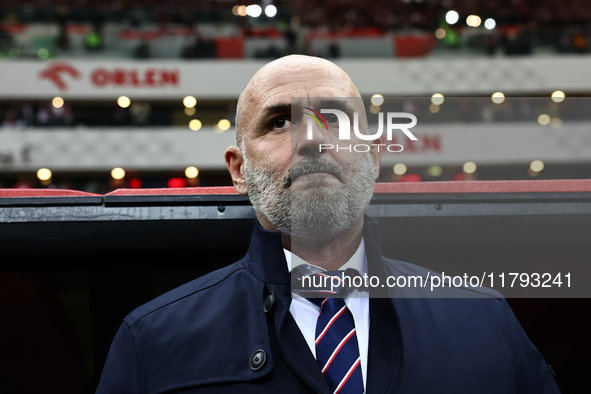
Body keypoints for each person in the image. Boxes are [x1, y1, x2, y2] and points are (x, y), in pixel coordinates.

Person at [96, 55, 560, 393]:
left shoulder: (486, 323)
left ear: (375, 155)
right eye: (280, 123)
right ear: (238, 170)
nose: (312, 141)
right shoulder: (152, 344)